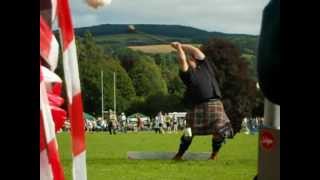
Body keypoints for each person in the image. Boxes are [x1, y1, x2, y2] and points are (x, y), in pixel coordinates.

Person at [171, 42, 234, 160]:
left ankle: (214, 154)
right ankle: (179, 155)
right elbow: (182, 61)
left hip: (215, 104)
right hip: (197, 106)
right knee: (188, 133)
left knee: (220, 131)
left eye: (191, 57)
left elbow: (196, 51)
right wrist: (179, 49)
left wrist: (181, 45)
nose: (189, 59)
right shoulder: (187, 74)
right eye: (188, 58)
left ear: (195, 60)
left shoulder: (206, 66)